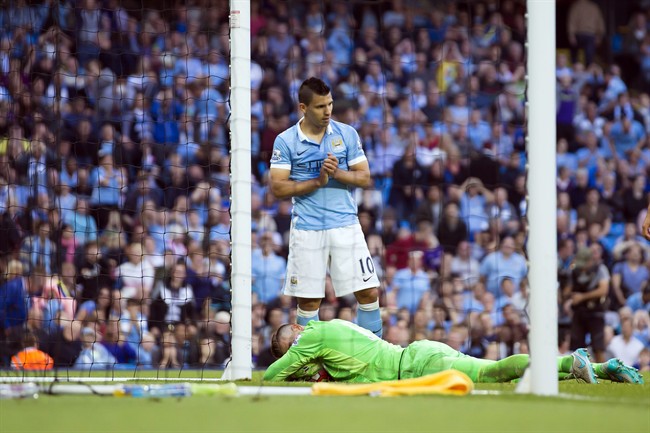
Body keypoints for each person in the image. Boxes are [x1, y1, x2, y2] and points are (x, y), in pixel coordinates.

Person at [268, 77, 382, 337]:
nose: (328, 111)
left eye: (329, 104)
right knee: (308, 302)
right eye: (320, 106)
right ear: (303, 108)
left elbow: (364, 178)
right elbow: (278, 188)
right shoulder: (286, 141)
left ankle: (375, 357)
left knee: (368, 292)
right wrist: (317, 181)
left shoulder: (347, 133)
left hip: (346, 226)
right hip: (307, 230)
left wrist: (338, 174)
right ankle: (309, 365)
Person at [262, 319, 643, 384]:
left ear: (298, 328)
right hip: (420, 353)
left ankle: (568, 360)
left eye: (289, 345)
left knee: (495, 372)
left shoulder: (312, 338)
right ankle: (602, 367)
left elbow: (270, 376)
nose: (293, 353)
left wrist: (294, 368)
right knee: (504, 373)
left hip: (415, 368)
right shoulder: (332, 331)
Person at [563, 247, 609, 363]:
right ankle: (579, 372)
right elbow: (567, 290)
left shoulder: (600, 269)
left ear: (590, 261)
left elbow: (603, 290)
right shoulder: (574, 270)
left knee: (598, 347)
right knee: (577, 348)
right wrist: (570, 296)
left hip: (595, 312)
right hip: (579, 312)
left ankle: (601, 371)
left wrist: (582, 297)